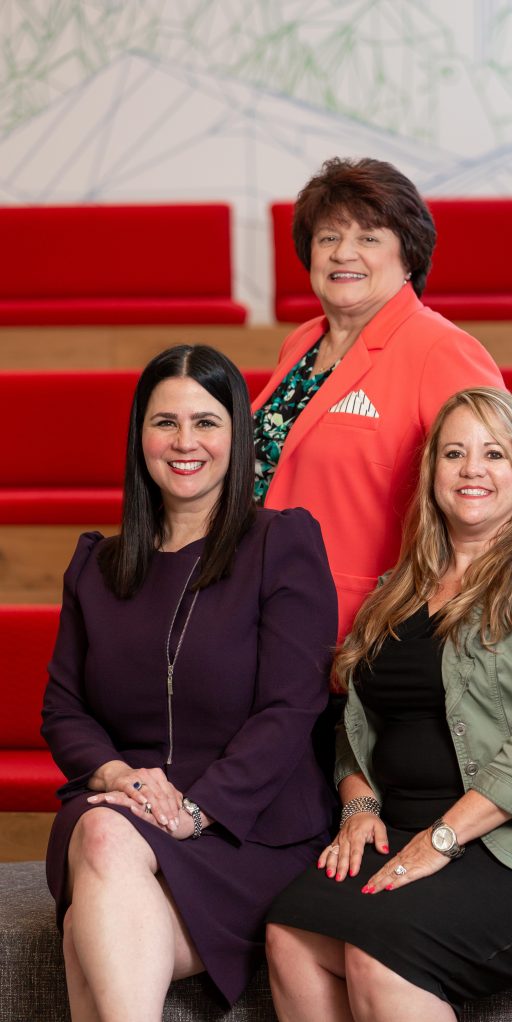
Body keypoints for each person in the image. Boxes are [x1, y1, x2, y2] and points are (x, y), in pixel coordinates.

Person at [265, 386, 512, 1022]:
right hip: (410, 826)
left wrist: (441, 839)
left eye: (494, 453)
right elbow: (356, 726)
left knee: (381, 955)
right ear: (432, 473)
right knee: (291, 935)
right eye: (454, 453)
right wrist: (358, 804)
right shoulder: (394, 591)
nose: (473, 469)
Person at [41, 345, 338, 1022]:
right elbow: (64, 708)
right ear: (139, 436)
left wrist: (197, 810)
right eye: (164, 422)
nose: (184, 442)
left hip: (252, 829)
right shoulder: (96, 566)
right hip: (128, 810)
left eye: (206, 422)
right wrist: (119, 776)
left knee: (90, 913)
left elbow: (291, 706)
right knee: (102, 834)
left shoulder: (281, 544)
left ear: (237, 437)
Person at [253, 157, 504, 640]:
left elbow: (494, 495)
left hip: (372, 628)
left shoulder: (442, 349)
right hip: (270, 610)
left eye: (368, 238)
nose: (343, 253)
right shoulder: (301, 342)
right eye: (328, 237)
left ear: (408, 256)